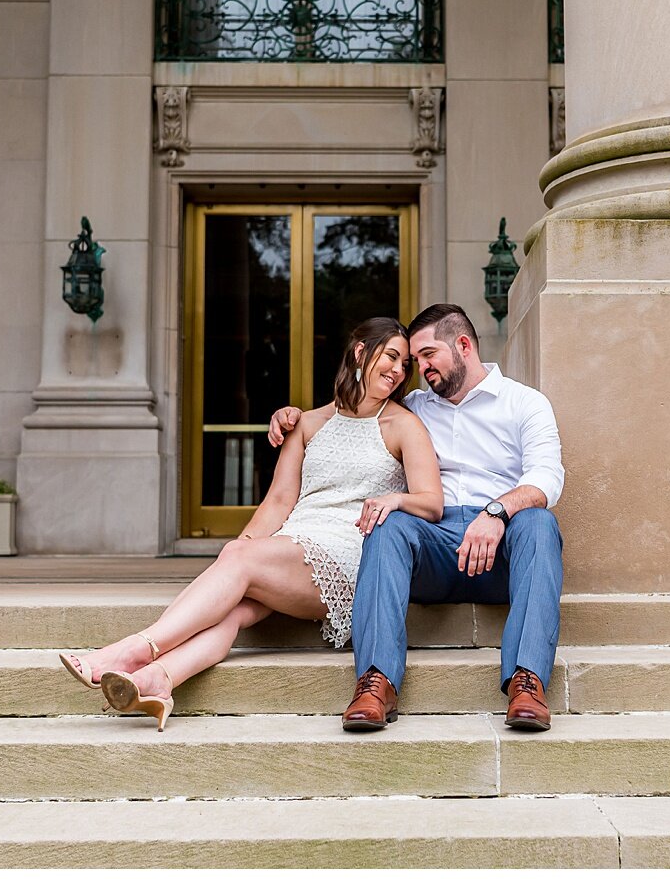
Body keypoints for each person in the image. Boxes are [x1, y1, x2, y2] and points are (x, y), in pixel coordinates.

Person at [59, 317, 442, 731]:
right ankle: (160, 680)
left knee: (239, 563)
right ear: (360, 353)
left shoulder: (403, 424)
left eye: (405, 364)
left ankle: (135, 649)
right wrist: (237, 553)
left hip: (351, 553)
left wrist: (394, 499)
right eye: (391, 357)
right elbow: (279, 500)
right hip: (293, 543)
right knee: (235, 610)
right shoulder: (309, 423)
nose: (399, 371)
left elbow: (432, 503)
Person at [268, 303, 564, 731]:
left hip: (503, 546)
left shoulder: (525, 403)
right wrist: (291, 415)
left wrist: (497, 512)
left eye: (427, 356)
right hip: (436, 547)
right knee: (388, 524)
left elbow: (546, 478)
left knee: (539, 522)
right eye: (413, 360)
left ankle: (527, 680)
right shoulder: (414, 408)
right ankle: (375, 683)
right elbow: (351, 410)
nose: (418, 368)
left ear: (463, 345)